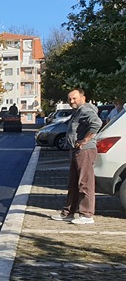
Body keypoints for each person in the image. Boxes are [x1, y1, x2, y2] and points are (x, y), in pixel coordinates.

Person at [51, 88, 103, 225]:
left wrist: (85, 140)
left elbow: (97, 123)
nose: (71, 101)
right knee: (73, 183)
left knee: (84, 183)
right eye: (69, 99)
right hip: (76, 151)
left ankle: (86, 215)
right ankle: (69, 213)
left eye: (74, 98)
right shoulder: (78, 111)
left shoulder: (85, 110)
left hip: (84, 151)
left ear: (83, 98)